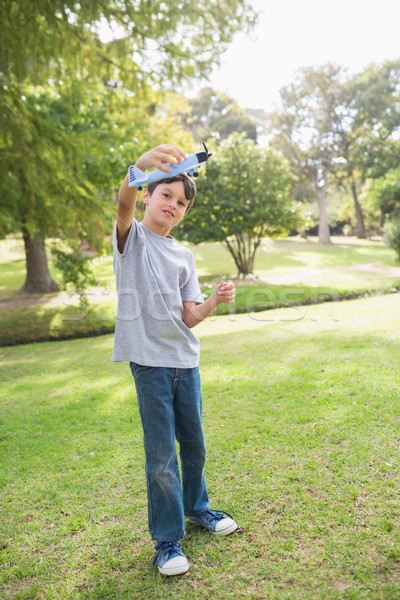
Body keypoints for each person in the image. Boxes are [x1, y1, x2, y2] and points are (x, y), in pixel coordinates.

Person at [112, 144, 238, 576]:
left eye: (182, 202)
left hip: (186, 360)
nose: (174, 205)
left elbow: (190, 314)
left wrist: (214, 302)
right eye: (166, 195)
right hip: (150, 363)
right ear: (149, 195)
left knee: (195, 445)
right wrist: (144, 163)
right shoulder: (131, 238)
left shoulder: (184, 255)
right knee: (162, 455)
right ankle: (167, 540)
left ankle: (198, 508)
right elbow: (123, 200)